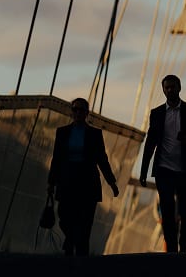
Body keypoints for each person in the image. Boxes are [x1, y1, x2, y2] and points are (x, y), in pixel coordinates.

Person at [139, 74, 186, 253]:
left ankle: (184, 246)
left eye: (172, 87)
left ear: (179, 88)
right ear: (163, 90)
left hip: (185, 169)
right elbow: (150, 143)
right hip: (164, 170)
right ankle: (171, 249)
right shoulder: (157, 113)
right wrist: (143, 171)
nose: (169, 90)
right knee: (167, 213)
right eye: (166, 87)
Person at [46, 97, 120, 257]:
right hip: (67, 180)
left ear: (87, 113)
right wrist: (51, 182)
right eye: (75, 109)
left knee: (85, 222)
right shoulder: (63, 132)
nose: (78, 113)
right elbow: (56, 158)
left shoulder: (95, 134)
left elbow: (102, 159)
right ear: (71, 112)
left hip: (87, 182)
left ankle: (81, 260)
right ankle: (71, 239)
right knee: (64, 216)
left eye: (81, 110)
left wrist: (112, 182)